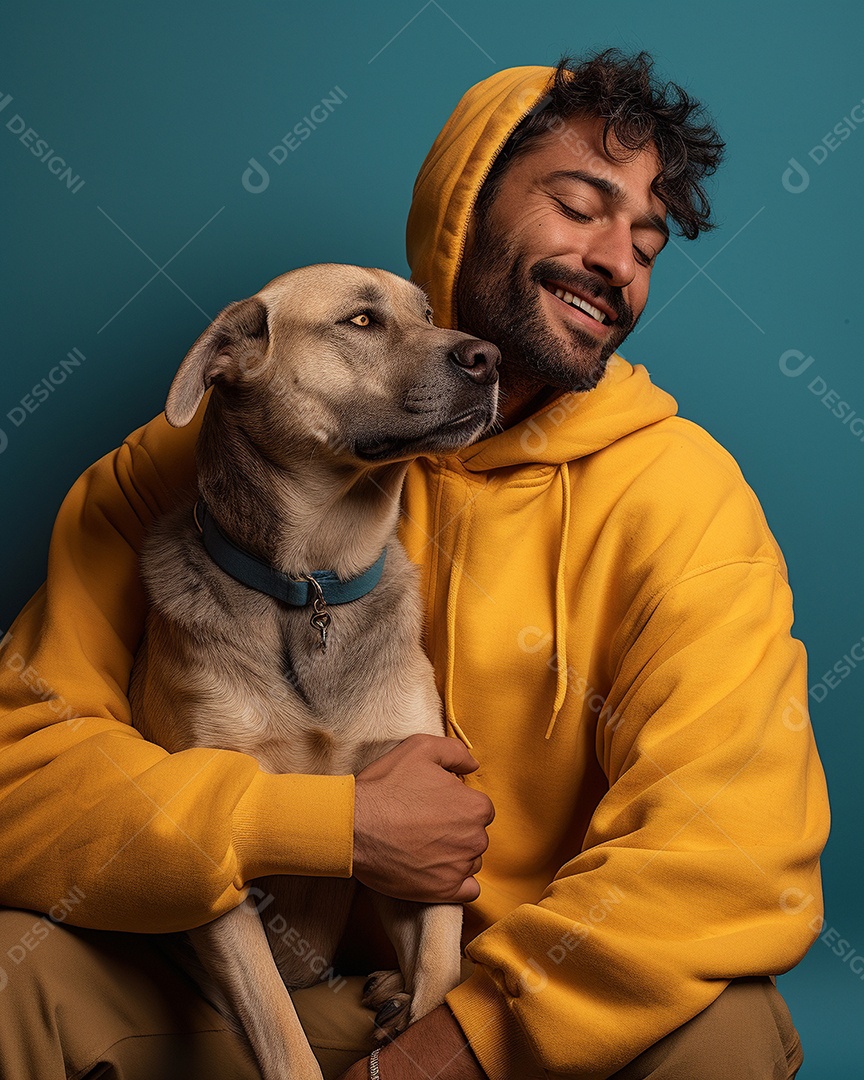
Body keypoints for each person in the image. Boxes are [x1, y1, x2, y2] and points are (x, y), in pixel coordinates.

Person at [0, 50, 828, 1080]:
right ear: (465, 204)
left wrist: (448, 1053)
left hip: (498, 1012)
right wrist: (322, 827)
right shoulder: (218, 451)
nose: (617, 260)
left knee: (731, 1030)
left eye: (646, 244)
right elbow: (21, 773)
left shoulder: (686, 503)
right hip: (246, 999)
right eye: (580, 206)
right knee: (9, 970)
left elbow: (734, 855)